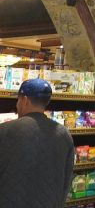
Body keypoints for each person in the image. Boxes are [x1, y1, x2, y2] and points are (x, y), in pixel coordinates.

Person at [0, 78, 75, 208]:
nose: (17, 105)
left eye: (18, 100)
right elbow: (67, 180)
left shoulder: (4, 131)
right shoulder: (64, 134)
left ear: (24, 100)